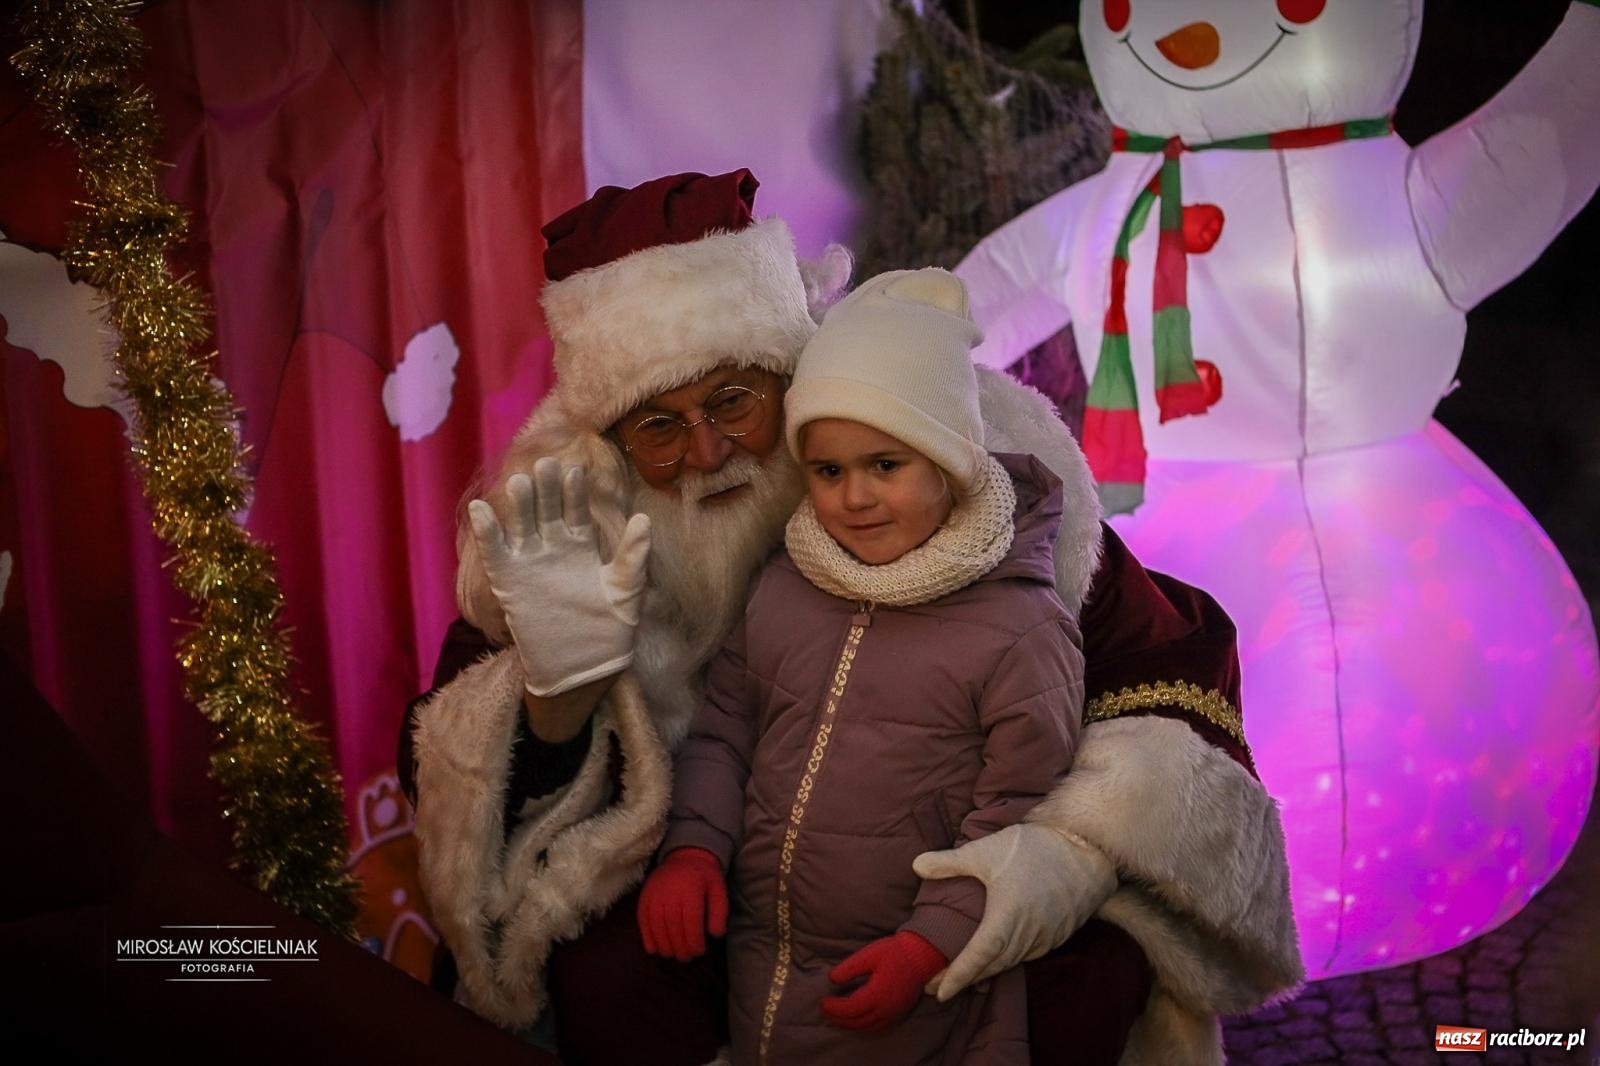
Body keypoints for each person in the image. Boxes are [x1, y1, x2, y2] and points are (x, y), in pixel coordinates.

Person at [400, 169, 1302, 1065]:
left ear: (792, 378)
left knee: (1087, 975)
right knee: (608, 978)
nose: (707, 453)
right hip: (732, 892)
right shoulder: (564, 513)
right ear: (612, 439)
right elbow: (484, 786)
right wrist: (555, 702)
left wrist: (1059, 862)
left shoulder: (959, 445)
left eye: (733, 402)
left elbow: (1158, 669)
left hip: (960, 883)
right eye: (659, 427)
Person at [636, 268, 1087, 1065]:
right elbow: (724, 731)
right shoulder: (786, 584)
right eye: (829, 470)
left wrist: (929, 946)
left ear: (949, 464)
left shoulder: (1019, 631)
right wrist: (693, 848)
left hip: (923, 988)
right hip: (766, 965)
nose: (854, 499)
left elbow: (1020, 819)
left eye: (887, 465)